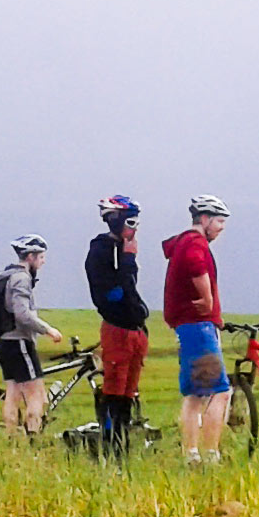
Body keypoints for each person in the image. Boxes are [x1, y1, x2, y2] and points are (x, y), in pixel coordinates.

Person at [161, 195, 230, 462]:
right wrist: (207, 300)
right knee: (219, 392)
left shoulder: (182, 243)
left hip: (186, 327)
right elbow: (197, 266)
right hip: (199, 327)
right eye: (219, 221)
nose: (221, 227)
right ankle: (211, 455)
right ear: (204, 219)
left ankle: (191, 455)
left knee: (194, 395)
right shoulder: (194, 243)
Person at [85, 194, 148, 453]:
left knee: (128, 393)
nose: (134, 230)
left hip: (134, 329)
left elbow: (129, 287)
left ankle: (122, 442)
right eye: (130, 223)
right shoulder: (102, 251)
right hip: (118, 328)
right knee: (113, 390)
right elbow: (116, 291)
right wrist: (129, 258)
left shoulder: (119, 249)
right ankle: (111, 447)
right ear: (116, 220)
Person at [0, 235, 68, 439]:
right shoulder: (22, 278)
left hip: (3, 341)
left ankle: (11, 440)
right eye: (41, 257)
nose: (43, 261)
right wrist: (48, 330)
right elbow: (23, 314)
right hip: (19, 342)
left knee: (13, 393)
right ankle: (34, 441)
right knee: (37, 395)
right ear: (30, 257)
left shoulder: (6, 275)